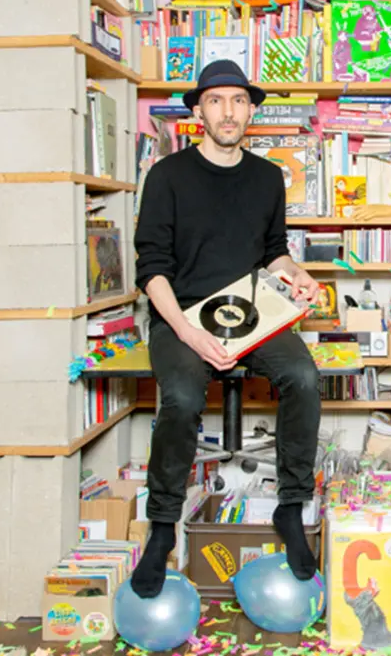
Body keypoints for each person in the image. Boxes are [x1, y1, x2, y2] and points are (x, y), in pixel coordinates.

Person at [131, 60, 323, 598]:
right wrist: (188, 333)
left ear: (251, 110)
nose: (228, 111)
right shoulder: (166, 176)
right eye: (216, 101)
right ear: (199, 111)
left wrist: (298, 274)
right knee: (182, 397)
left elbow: (273, 253)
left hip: (251, 313)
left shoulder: (266, 177)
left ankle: (291, 507)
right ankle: (163, 526)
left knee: (304, 378)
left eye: (238, 100)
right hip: (181, 316)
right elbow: (151, 270)